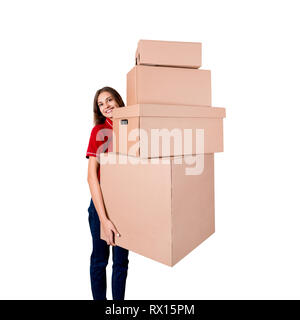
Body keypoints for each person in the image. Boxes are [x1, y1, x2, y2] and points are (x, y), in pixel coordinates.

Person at [86, 86, 129, 300]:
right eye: (101, 104)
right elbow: (91, 176)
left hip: (125, 205)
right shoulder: (99, 131)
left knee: (120, 262)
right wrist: (104, 219)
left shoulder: (133, 128)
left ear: (118, 100)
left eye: (109, 100)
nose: (106, 106)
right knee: (100, 260)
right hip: (101, 204)